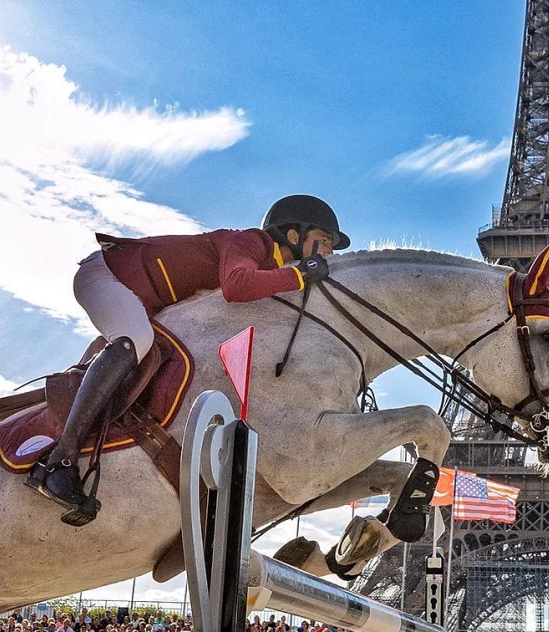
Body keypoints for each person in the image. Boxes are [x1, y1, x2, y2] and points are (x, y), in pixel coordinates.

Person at [27, 195, 350, 520]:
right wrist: (300, 275)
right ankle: (61, 460)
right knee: (136, 340)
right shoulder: (252, 241)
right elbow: (235, 286)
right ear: (294, 236)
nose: (329, 253)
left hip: (138, 298)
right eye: (324, 242)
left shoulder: (268, 269)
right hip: (107, 276)